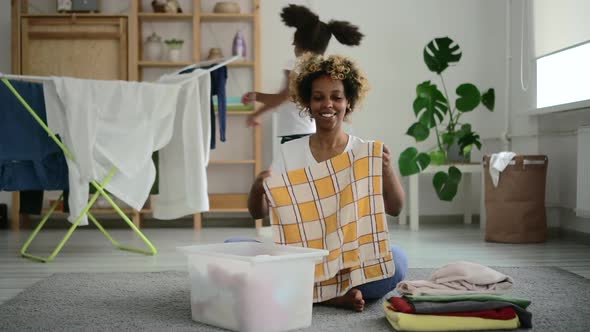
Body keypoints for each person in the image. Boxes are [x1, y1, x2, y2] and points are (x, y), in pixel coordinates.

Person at [247, 53, 408, 312]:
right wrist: (257, 189)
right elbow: (260, 213)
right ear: (308, 104)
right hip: (302, 258)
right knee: (234, 247)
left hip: (347, 259)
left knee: (397, 263)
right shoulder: (290, 152)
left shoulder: (362, 152)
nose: (327, 104)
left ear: (349, 102)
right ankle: (332, 296)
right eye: (318, 97)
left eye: (336, 97)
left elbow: (396, 208)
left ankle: (312, 291)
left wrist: (387, 171)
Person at [241, 4, 363, 144]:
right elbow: (288, 96)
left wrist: (257, 98)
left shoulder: (296, 64)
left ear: (297, 42)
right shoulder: (324, 68)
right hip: (314, 130)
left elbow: (285, 96)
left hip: (295, 132)